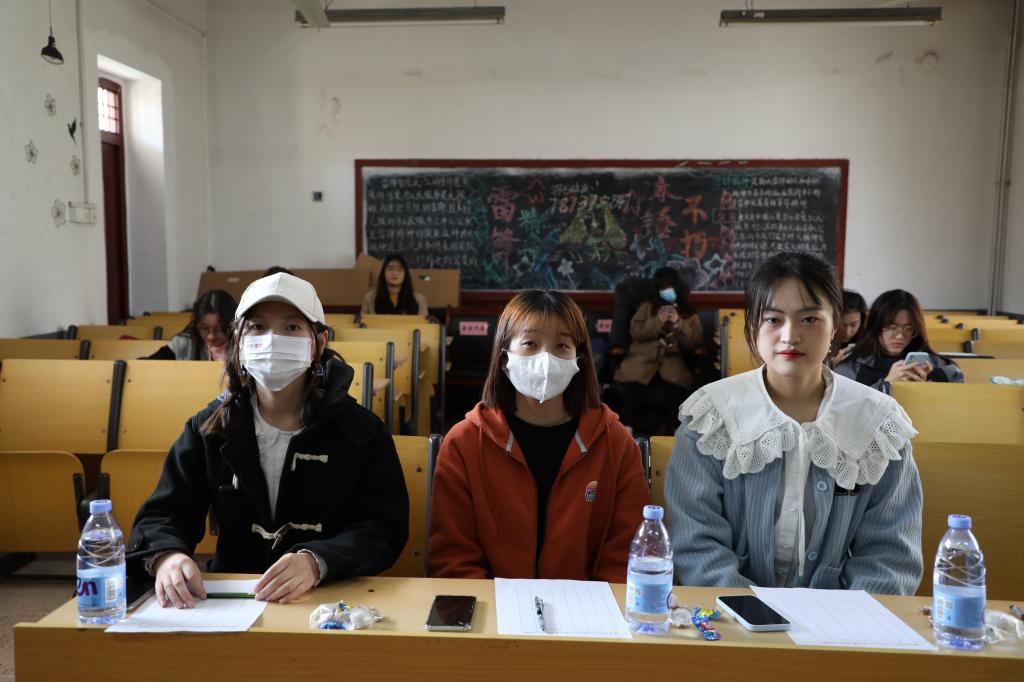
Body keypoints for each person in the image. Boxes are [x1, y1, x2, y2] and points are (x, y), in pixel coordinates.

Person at [127, 273, 409, 607]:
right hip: (233, 600)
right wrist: (168, 557)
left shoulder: (362, 432)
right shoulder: (210, 428)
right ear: (238, 341)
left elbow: (382, 528)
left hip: (330, 601)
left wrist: (317, 561)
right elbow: (163, 514)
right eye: (258, 327)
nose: (273, 340)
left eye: (291, 327)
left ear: (319, 342)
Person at [664, 252, 923, 595]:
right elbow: (696, 544)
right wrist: (751, 612)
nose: (790, 336)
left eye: (810, 319)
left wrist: (844, 619)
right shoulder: (712, 417)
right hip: (730, 616)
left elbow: (890, 556)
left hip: (843, 620)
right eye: (773, 319)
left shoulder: (877, 423)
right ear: (753, 327)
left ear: (835, 327)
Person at [428, 289, 651, 582]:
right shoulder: (464, 443)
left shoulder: (615, 443)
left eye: (562, 345)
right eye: (530, 344)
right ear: (504, 357)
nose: (546, 358)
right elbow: (452, 558)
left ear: (579, 359)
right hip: (491, 607)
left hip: (591, 608)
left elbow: (627, 554)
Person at [612, 267, 703, 434]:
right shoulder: (647, 307)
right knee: (633, 393)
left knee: (676, 395)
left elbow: (693, 342)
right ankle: (626, 433)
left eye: (669, 288)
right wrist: (657, 321)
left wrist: (678, 323)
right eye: (662, 288)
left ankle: (677, 436)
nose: (666, 292)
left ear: (677, 288)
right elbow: (636, 332)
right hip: (641, 361)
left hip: (671, 364)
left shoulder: (689, 313)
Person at [835, 289, 963, 390]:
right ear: (876, 326)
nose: (900, 336)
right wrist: (887, 384)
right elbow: (844, 406)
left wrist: (929, 382)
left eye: (908, 328)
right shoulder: (853, 364)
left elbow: (958, 385)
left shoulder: (930, 362)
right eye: (892, 327)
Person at [146, 289, 237, 361]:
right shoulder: (185, 343)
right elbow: (148, 364)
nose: (211, 336)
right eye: (204, 328)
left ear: (232, 325)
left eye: (219, 329)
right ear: (196, 324)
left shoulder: (242, 346)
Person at [361, 254, 428, 317]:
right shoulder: (369, 299)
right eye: (390, 269)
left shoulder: (419, 300)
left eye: (399, 270)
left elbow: (425, 324)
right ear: (383, 273)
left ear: (405, 275)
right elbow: (362, 323)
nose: (394, 273)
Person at [830, 289, 867, 366]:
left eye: (853, 325)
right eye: (842, 325)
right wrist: (831, 366)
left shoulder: (866, 342)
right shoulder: (821, 341)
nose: (847, 332)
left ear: (862, 320)